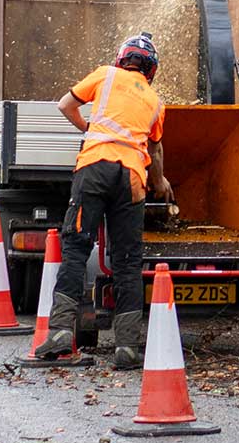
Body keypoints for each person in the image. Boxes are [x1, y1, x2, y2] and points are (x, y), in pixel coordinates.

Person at [34, 32, 172, 370]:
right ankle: (126, 346)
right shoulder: (156, 102)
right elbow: (154, 149)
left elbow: (65, 105)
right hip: (132, 179)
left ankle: (62, 332)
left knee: (77, 247)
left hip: (94, 169)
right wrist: (160, 183)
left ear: (121, 58)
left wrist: (88, 128)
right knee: (127, 261)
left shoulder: (104, 75)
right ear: (151, 70)